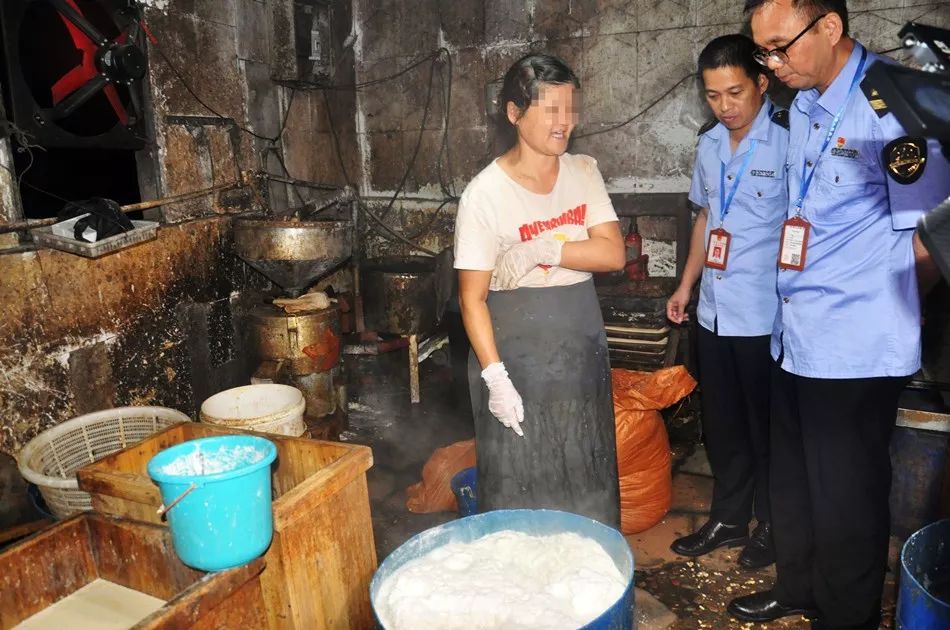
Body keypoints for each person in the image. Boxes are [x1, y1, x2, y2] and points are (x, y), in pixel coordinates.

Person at [730, 1, 950, 627]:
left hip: (855, 343)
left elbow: (927, 236)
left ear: (829, 27)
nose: (770, 63)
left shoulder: (896, 104)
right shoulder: (801, 104)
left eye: (780, 47)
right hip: (796, 332)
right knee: (794, 481)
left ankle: (847, 616)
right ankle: (799, 587)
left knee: (847, 498)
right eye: (762, 52)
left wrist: (885, 304)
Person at [453, 53, 625, 526]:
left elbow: (612, 254)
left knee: (583, 464)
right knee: (521, 476)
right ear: (514, 113)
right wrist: (495, 378)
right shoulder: (484, 195)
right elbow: (472, 298)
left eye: (570, 109)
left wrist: (545, 249)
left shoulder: (582, 171)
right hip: (516, 354)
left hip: (579, 342)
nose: (564, 123)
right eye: (551, 110)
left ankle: (590, 572)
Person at [667, 34, 789, 570]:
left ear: (762, 83)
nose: (725, 106)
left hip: (766, 315)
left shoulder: (790, 140)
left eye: (735, 92)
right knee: (722, 426)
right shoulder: (710, 143)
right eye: (713, 95)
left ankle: (774, 528)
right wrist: (685, 285)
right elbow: (704, 219)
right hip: (715, 312)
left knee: (768, 432)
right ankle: (730, 517)